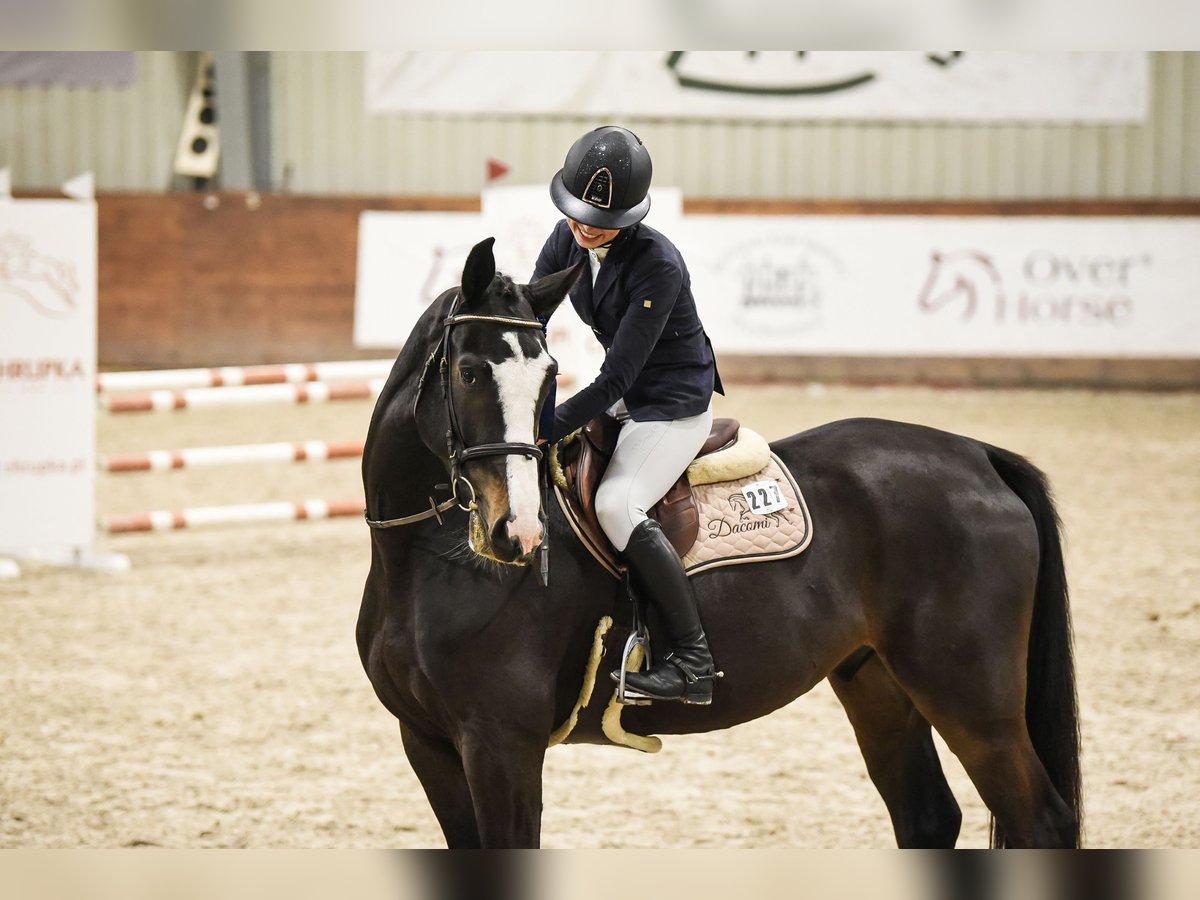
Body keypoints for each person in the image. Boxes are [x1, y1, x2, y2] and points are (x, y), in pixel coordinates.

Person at [532, 125, 724, 705]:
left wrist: (551, 424)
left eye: (599, 218)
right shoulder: (567, 237)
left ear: (632, 215)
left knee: (617, 503)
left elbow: (617, 376)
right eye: (576, 211)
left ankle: (694, 662)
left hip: (670, 400)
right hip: (625, 394)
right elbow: (532, 319)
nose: (583, 225)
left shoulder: (658, 265)